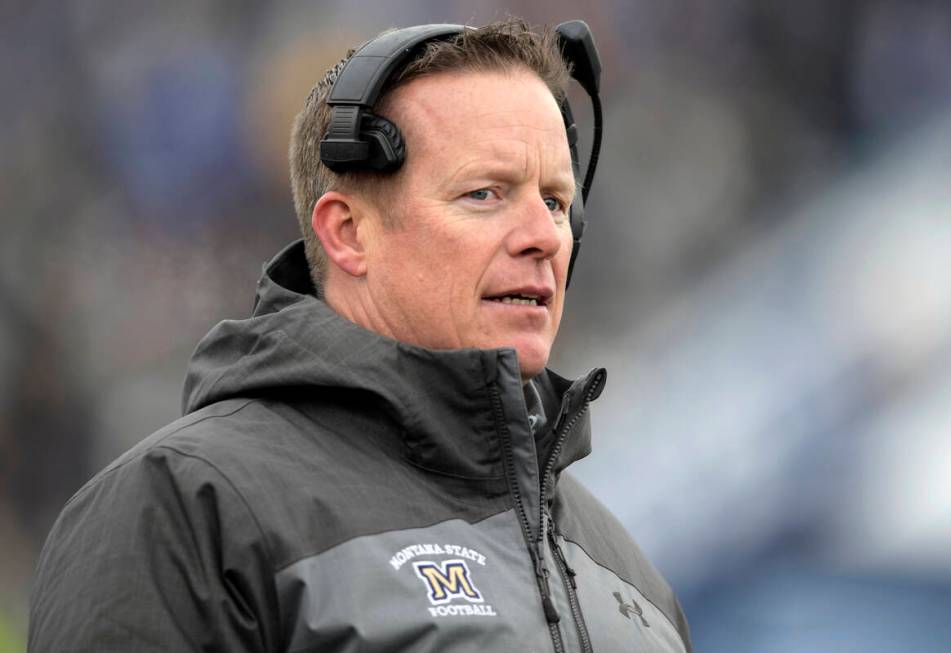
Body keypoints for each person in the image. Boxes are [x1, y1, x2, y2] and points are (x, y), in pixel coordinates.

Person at [29, 19, 692, 652]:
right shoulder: (183, 510)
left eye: (555, 200)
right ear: (348, 233)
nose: (546, 236)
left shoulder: (632, 577)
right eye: (486, 193)